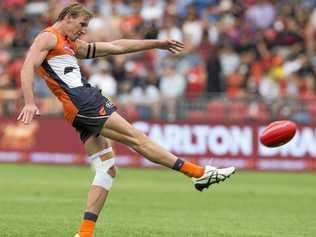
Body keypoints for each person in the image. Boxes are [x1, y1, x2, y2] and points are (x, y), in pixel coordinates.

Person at [17, 3, 236, 237]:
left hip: (77, 108)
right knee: (137, 139)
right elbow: (27, 66)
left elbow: (116, 46)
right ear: (68, 17)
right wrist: (30, 101)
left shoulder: (71, 45)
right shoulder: (49, 37)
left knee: (106, 169)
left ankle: (85, 233)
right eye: (82, 24)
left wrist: (157, 44)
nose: (83, 31)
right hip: (84, 102)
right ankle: (199, 173)